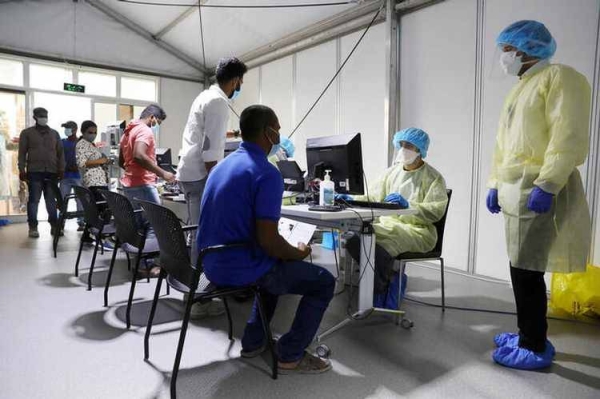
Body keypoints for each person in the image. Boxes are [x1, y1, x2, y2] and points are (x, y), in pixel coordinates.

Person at [486, 20, 591, 370]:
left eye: (507, 50)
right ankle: (525, 331)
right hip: (515, 188)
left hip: (538, 186)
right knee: (519, 264)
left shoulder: (559, 77)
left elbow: (567, 135)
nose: (503, 57)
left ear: (526, 48)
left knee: (528, 269)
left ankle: (535, 344)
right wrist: (495, 182)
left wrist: (548, 183)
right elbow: (505, 146)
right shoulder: (521, 87)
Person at [198, 105, 334, 374]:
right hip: (240, 267)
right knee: (323, 282)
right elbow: (269, 241)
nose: (280, 135)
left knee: (272, 265)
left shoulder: (221, 167)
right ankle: (290, 354)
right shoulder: (266, 173)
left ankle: (253, 342)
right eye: (278, 129)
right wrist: (298, 251)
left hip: (210, 264)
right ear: (268, 132)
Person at [339, 128, 448, 310]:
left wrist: (409, 205)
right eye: (402, 145)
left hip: (418, 230)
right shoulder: (391, 172)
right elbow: (373, 195)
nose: (404, 149)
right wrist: (351, 198)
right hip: (388, 224)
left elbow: (435, 211)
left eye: (410, 146)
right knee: (352, 237)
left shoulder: (433, 178)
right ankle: (387, 279)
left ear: (420, 150)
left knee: (377, 243)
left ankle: (378, 290)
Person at [177, 57, 247, 266]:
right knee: (204, 232)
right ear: (235, 81)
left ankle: (195, 277)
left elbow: (204, 132)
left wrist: (234, 132)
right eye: (241, 82)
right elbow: (210, 150)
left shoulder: (204, 96)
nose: (239, 87)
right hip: (201, 174)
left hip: (189, 172)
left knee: (195, 229)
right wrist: (219, 184)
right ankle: (200, 284)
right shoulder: (218, 102)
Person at [119, 104, 175, 277]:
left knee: (140, 225)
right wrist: (163, 173)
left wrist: (135, 171)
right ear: (152, 117)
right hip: (143, 184)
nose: (156, 125)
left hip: (129, 184)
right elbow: (139, 155)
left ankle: (140, 262)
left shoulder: (128, 131)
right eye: (157, 121)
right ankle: (147, 265)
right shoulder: (144, 130)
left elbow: (122, 161)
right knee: (154, 223)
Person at [18, 107, 65, 238]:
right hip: (34, 172)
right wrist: (21, 169)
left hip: (52, 171)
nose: (43, 117)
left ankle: (54, 226)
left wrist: (61, 169)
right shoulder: (27, 133)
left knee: (51, 200)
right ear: (35, 117)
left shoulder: (55, 134)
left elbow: (60, 153)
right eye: (41, 115)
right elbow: (22, 153)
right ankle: (33, 227)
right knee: (33, 200)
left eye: (45, 115)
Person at [75, 121, 111, 199]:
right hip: (93, 182)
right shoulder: (82, 144)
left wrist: (105, 161)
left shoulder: (91, 144)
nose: (93, 135)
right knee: (103, 208)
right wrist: (100, 161)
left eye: (95, 132)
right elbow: (81, 163)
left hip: (100, 181)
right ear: (83, 132)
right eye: (90, 132)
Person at [59, 121, 84, 231]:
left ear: (75, 129)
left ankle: (81, 222)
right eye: (66, 128)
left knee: (80, 199)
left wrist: (78, 167)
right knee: (63, 199)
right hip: (65, 176)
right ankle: (61, 221)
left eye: (68, 128)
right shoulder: (62, 142)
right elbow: (58, 157)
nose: (66, 130)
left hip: (78, 176)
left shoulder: (81, 143)